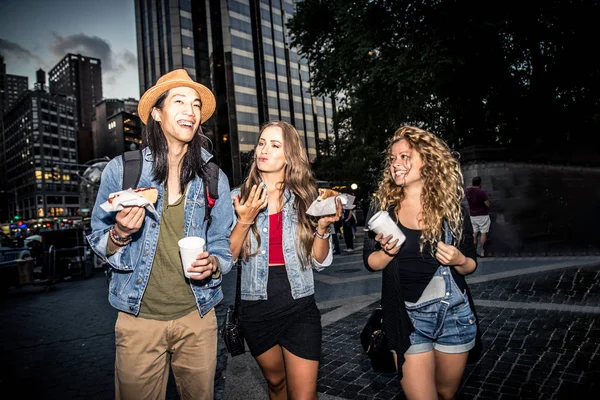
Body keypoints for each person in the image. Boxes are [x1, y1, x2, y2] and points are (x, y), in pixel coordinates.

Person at [87, 69, 234, 400]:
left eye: (196, 104)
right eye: (179, 101)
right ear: (157, 113)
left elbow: (223, 245)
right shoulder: (123, 170)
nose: (190, 111)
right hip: (139, 319)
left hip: (198, 317)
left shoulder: (213, 178)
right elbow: (97, 236)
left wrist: (214, 264)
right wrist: (120, 234)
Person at [363, 126, 481, 400]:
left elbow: (470, 264)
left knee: (445, 393)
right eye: (393, 159)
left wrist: (459, 258)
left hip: (454, 316)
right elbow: (370, 261)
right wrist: (387, 253)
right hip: (405, 318)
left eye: (405, 156)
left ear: (427, 160)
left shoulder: (452, 204)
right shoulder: (382, 206)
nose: (396, 164)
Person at [229, 120, 341, 400]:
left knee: (304, 395)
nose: (264, 149)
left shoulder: (308, 199)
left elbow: (318, 261)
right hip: (255, 308)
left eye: (275, 145)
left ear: (290, 155)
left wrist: (323, 229)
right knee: (277, 384)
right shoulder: (236, 198)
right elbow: (226, 259)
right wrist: (243, 220)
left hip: (299, 305)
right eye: (262, 143)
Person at [465, 176, 491, 256]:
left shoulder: (468, 191)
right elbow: (488, 204)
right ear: (480, 183)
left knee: (474, 234)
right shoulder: (481, 192)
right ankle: (483, 252)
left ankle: (473, 252)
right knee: (483, 233)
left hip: (473, 215)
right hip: (482, 215)